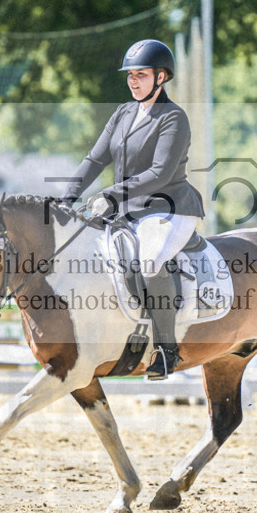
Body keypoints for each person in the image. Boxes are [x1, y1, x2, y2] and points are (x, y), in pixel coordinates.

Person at [60, 39, 205, 380]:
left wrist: (110, 194)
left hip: (168, 208)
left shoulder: (173, 118)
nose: (133, 81)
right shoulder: (124, 113)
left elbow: (160, 173)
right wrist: (66, 199)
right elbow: (95, 158)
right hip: (128, 210)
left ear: (161, 77)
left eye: (141, 74)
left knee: (150, 260)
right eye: (130, 75)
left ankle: (168, 351)